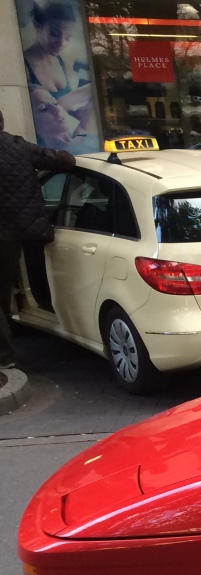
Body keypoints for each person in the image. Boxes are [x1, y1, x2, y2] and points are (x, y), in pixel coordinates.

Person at [0, 107, 76, 370]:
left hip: (3, 234)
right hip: (28, 230)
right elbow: (64, 161)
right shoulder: (19, 146)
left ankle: (5, 356)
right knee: (9, 287)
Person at [24, 1, 93, 151]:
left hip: (71, 141)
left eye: (67, 37)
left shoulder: (64, 60)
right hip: (45, 148)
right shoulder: (23, 66)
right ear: (37, 25)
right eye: (54, 33)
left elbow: (64, 110)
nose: (61, 43)